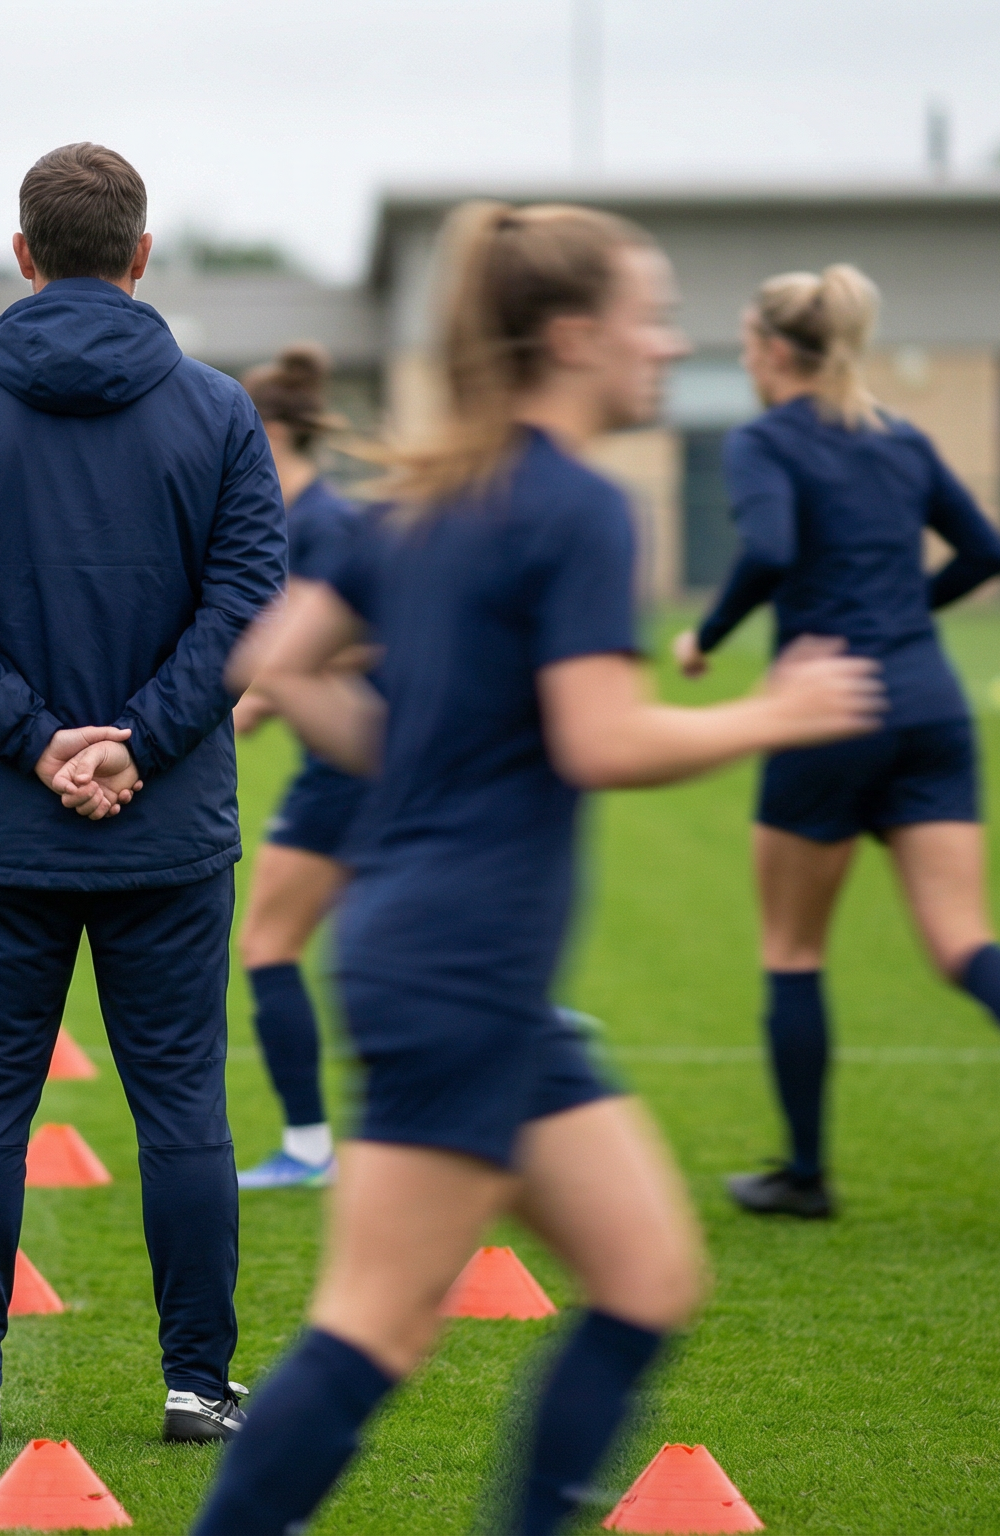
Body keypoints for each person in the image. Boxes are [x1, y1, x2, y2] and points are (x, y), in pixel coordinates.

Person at [192, 202, 881, 1536]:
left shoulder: (429, 500)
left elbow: (273, 660)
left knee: (648, 1275)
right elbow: (599, 738)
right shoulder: (576, 509)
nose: (669, 344)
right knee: (375, 1324)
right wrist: (775, 714)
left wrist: (417, 756)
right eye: (649, 316)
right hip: (458, 969)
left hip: (458, 965)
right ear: (571, 337)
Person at [0, 143, 283, 1445]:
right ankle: (197, 1383)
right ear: (142, 254)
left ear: (23, 256)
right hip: (168, 825)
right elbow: (248, 606)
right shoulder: (219, 410)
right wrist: (137, 745)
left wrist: (39, 742)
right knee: (183, 1110)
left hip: (3, 822)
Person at [674, 263, 1000, 1222]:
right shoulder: (901, 436)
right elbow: (988, 551)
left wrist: (705, 637)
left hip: (826, 706)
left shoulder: (764, 440)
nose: (747, 361)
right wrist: (902, 612)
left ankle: (806, 1175)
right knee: (964, 938)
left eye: (748, 346)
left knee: (792, 946)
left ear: (771, 350)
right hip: (928, 703)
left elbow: (768, 549)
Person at [226, 342, 364, 1189]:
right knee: (377, 953)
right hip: (351, 757)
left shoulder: (324, 524)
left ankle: (310, 1148)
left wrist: (258, 697)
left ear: (271, 431)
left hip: (358, 763)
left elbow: (364, 641)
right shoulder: (295, 516)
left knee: (270, 943)